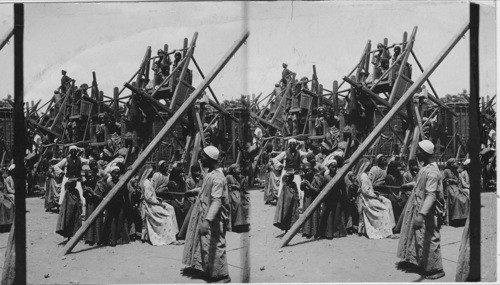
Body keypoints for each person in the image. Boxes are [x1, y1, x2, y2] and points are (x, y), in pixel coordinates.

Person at [397, 140, 446, 280]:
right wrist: (408, 185)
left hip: (428, 211)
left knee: (430, 238)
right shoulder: (425, 168)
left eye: (418, 150)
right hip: (419, 207)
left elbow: (431, 195)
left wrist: (422, 214)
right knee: (418, 237)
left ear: (425, 153)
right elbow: (419, 183)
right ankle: (421, 264)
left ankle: (436, 269)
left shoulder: (432, 172)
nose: (416, 153)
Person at [182, 146, 231, 283]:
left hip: (214, 218)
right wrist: (193, 191)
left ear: (210, 159)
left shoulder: (218, 178)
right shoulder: (210, 174)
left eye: (203, 157)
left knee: (216, 245)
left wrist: (207, 220)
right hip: (207, 215)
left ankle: (223, 275)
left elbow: (216, 201)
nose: (201, 159)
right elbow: (205, 189)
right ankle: (211, 272)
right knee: (206, 244)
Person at [356, 158, 397, 239]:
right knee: (384, 209)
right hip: (367, 199)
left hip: (371, 195)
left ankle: (390, 228)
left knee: (388, 202)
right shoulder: (363, 176)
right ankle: (386, 232)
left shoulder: (366, 175)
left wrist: (375, 194)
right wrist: (376, 196)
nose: (369, 167)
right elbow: (366, 191)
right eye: (368, 165)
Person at [141, 172, 181, 246]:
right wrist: (159, 202)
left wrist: (158, 199)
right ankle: (169, 239)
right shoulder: (146, 183)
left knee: (171, 208)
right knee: (167, 215)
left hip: (154, 202)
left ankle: (173, 235)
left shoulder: (149, 182)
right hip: (150, 205)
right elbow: (149, 198)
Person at [273, 138, 311, 208]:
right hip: (287, 173)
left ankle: (297, 203)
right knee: (285, 187)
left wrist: (310, 152)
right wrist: (280, 165)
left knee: (297, 187)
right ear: (289, 145)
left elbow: (307, 154)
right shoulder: (285, 153)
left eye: (294, 144)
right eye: (291, 144)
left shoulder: (299, 152)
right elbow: (275, 159)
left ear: (296, 145)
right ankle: (283, 202)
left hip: (296, 173)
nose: (293, 146)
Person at [101, 166, 131, 246]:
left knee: (120, 220)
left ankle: (120, 239)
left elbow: (125, 193)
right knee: (111, 221)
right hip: (111, 205)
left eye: (118, 173)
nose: (117, 175)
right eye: (115, 173)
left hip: (119, 203)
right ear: (111, 174)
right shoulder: (109, 183)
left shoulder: (121, 182)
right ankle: (110, 240)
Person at [319, 159, 348, 239]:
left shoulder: (339, 176)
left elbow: (342, 186)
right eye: (332, 167)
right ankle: (327, 233)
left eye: (335, 167)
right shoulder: (326, 177)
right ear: (329, 167)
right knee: (328, 215)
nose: (334, 169)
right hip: (328, 199)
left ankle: (336, 232)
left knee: (337, 215)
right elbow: (322, 187)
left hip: (337, 198)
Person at [300, 162, 325, 238]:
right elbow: (301, 188)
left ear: (312, 169)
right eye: (305, 171)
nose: (307, 172)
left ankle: (314, 232)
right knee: (306, 214)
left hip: (314, 199)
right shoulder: (305, 178)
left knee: (314, 215)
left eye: (308, 170)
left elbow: (317, 190)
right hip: (307, 198)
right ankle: (307, 231)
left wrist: (309, 186)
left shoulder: (317, 178)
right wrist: (302, 185)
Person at [443, 158, 469, 224]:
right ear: (451, 164)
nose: (457, 164)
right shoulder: (446, 171)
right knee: (456, 198)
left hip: (456, 188)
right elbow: (442, 181)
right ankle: (455, 218)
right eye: (455, 162)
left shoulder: (456, 171)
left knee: (465, 198)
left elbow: (457, 181)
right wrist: (448, 180)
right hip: (449, 188)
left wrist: (453, 181)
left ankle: (462, 218)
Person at [226, 164, 250, 233]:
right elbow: (224, 185)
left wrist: (243, 181)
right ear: (233, 170)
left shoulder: (240, 177)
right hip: (231, 194)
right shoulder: (228, 177)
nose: (240, 170)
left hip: (239, 194)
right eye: (238, 169)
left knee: (246, 203)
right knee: (238, 203)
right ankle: (236, 224)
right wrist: (233, 185)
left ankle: (241, 222)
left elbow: (242, 187)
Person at [82, 170, 104, 246]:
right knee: (89, 221)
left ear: (94, 176)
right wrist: (85, 192)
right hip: (90, 204)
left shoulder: (99, 184)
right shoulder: (86, 184)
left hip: (97, 205)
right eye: (88, 178)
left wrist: (92, 192)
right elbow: (84, 195)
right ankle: (90, 239)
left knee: (98, 221)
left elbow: (100, 197)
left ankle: (98, 239)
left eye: (91, 177)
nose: (90, 179)